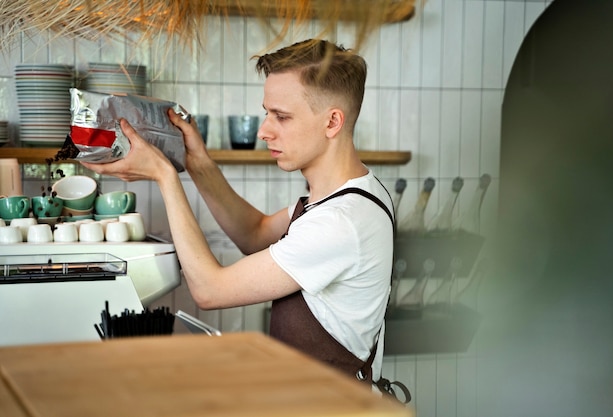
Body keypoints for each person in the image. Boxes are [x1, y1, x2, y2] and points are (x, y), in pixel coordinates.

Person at [82, 39, 395, 386]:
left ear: (332, 122)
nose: (264, 130)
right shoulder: (346, 197)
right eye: (266, 112)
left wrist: (165, 176)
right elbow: (254, 233)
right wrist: (195, 161)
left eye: (282, 116)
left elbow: (210, 289)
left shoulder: (341, 222)